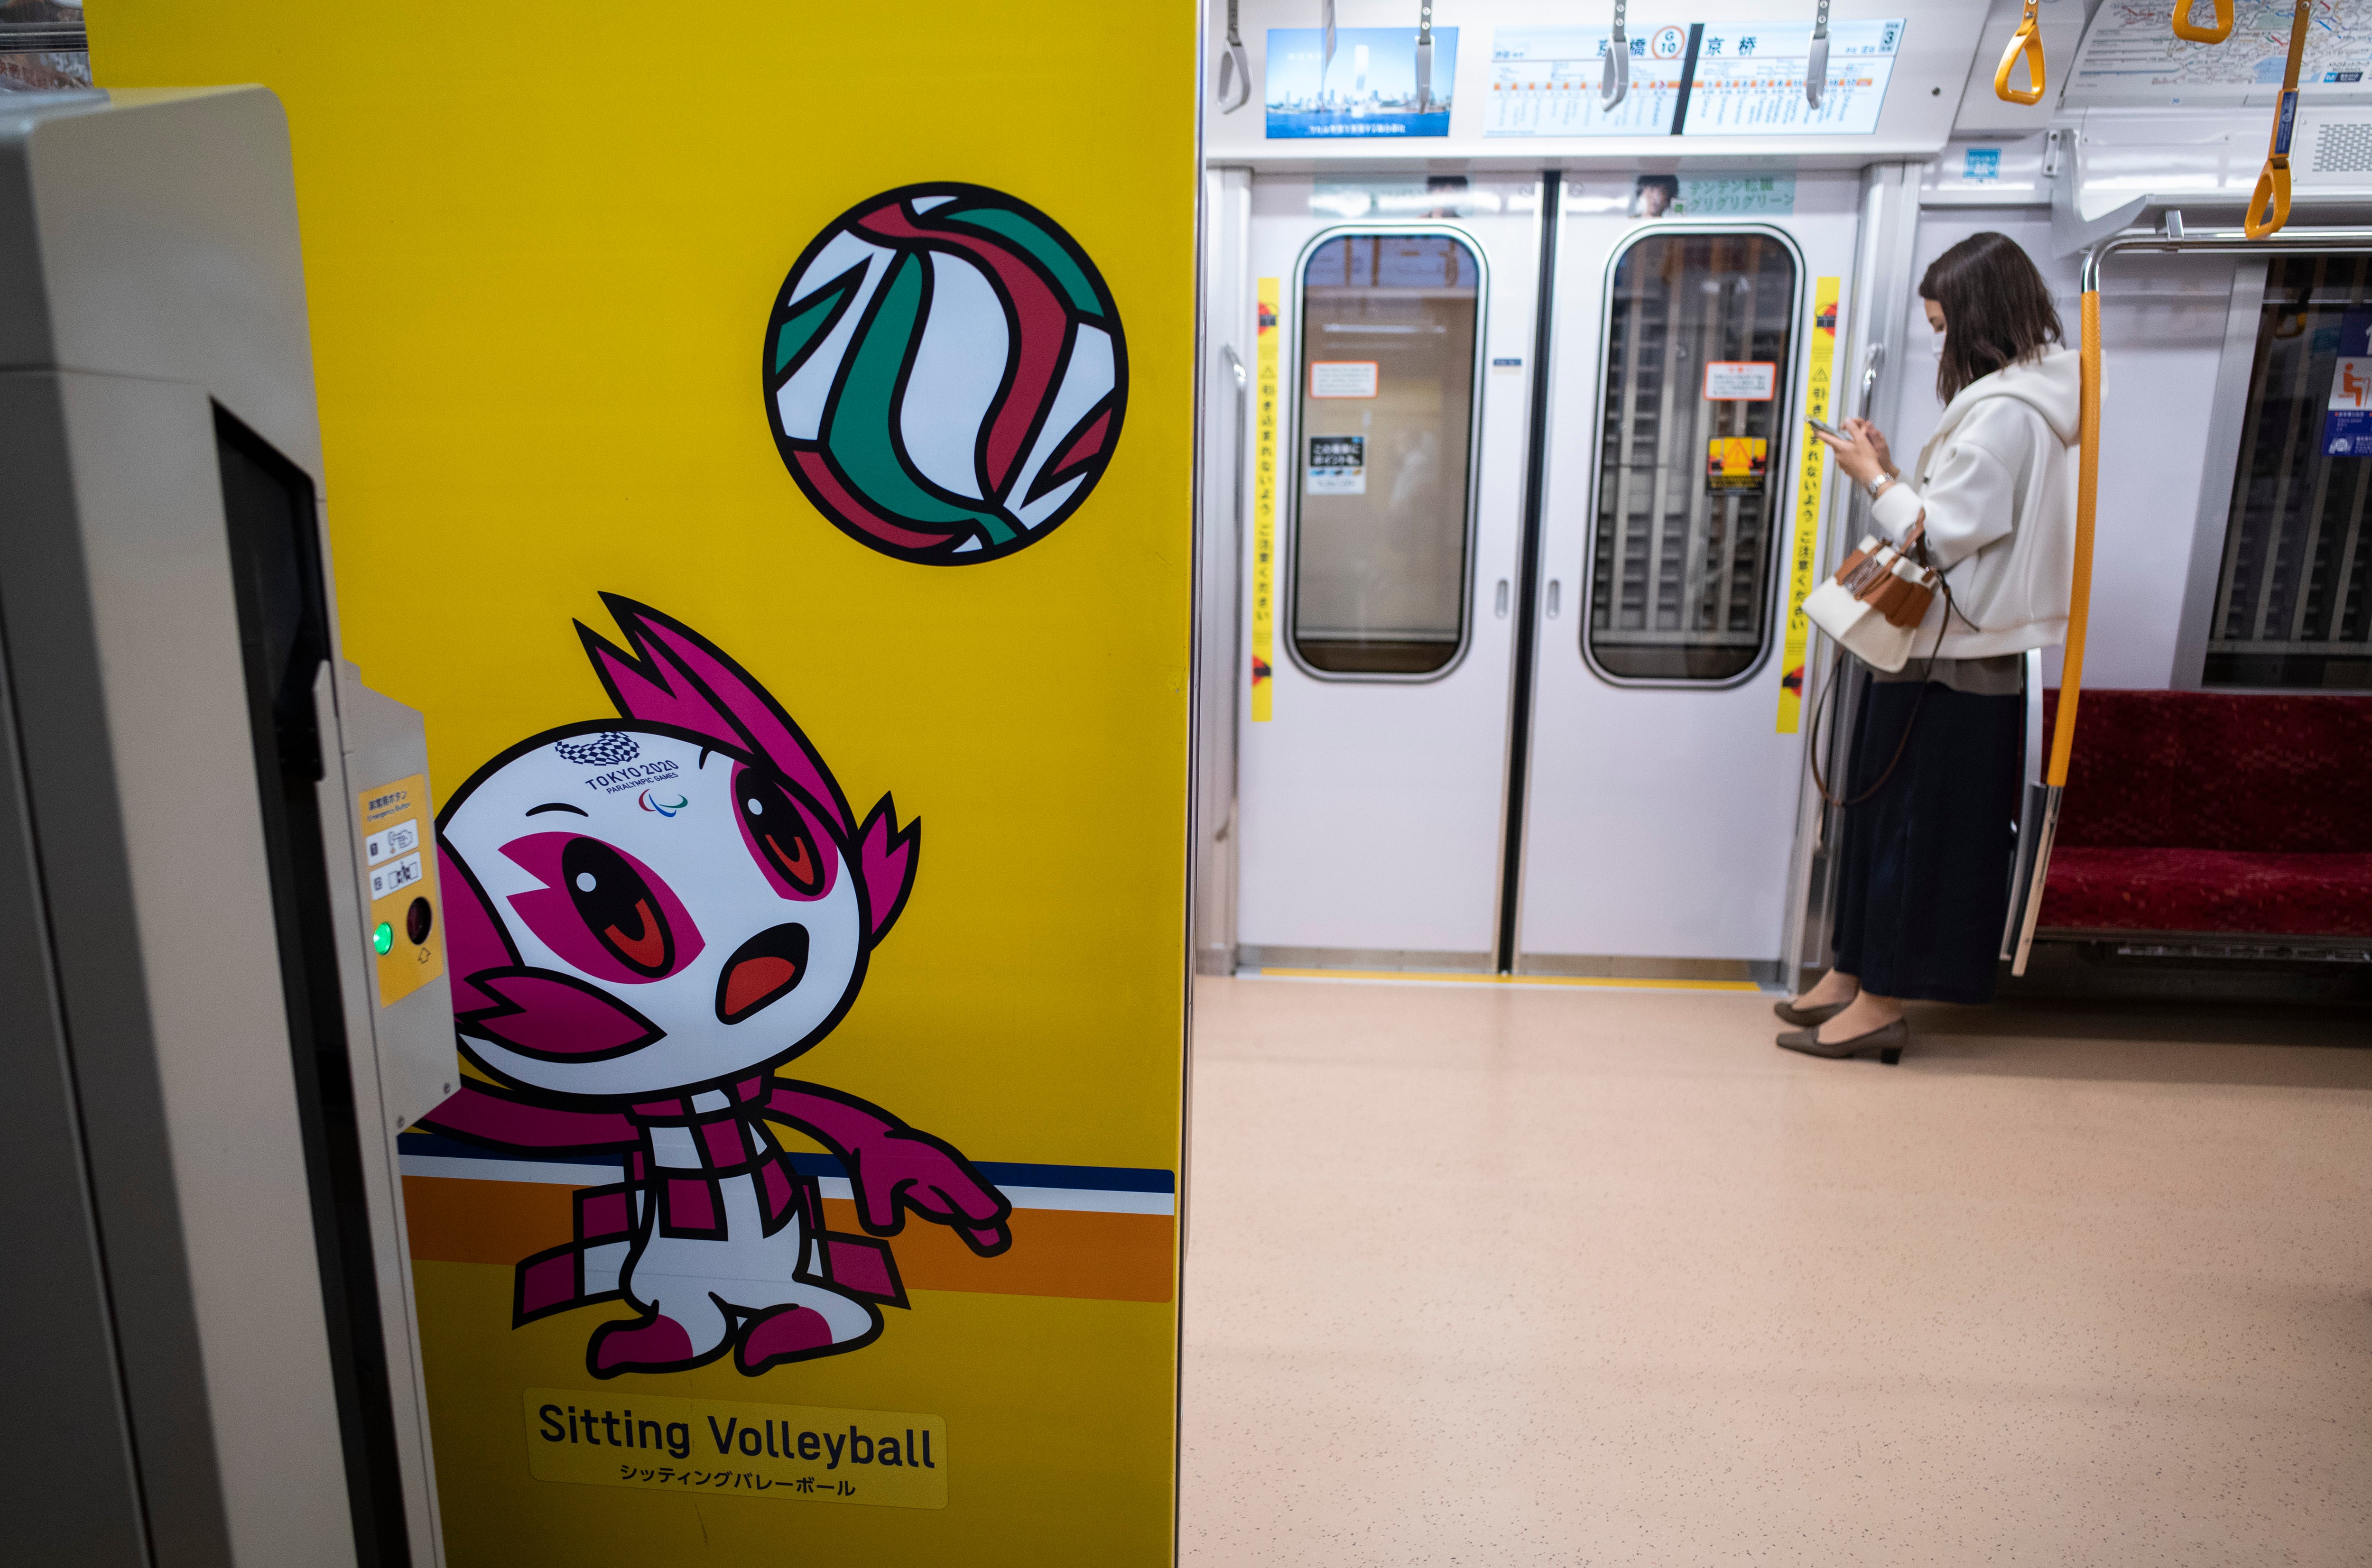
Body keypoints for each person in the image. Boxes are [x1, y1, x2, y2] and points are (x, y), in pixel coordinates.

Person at [1784, 231, 2079, 1061]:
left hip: (1957, 659)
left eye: (1947, 326)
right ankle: (1850, 970)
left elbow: (1940, 534)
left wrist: (1872, 478)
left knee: (1913, 829)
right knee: (1875, 814)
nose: (1943, 344)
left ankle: (1881, 999)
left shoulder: (2009, 416)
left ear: (1981, 320)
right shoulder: (2012, 403)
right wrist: (1885, 464)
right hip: (1930, 651)